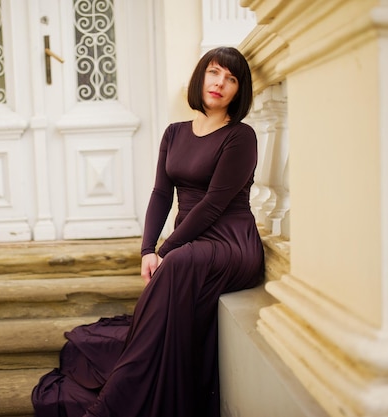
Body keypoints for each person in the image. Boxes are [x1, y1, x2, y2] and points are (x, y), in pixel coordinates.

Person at [32, 46, 264, 417]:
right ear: (200, 76)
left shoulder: (241, 136)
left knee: (177, 265)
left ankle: (121, 397)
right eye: (214, 72)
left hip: (231, 242)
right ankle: (140, 373)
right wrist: (146, 250)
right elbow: (160, 193)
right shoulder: (174, 133)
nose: (219, 83)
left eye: (231, 78)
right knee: (175, 269)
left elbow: (214, 204)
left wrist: (167, 249)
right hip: (191, 241)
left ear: (240, 90)